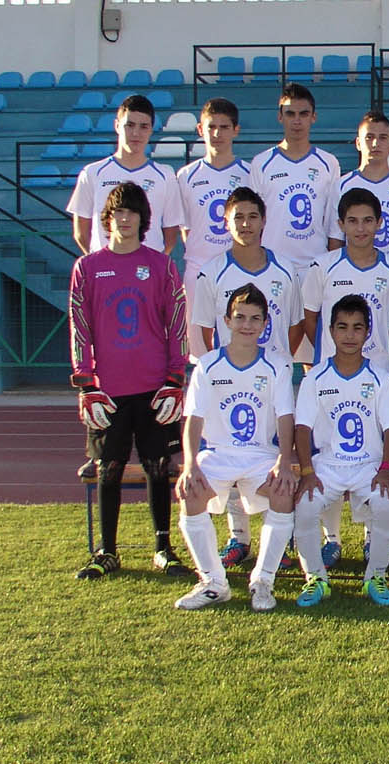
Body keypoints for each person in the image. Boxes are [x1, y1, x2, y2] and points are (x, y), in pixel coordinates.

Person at [69, 182, 189, 580]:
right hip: (108, 389)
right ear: (107, 219)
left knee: (158, 466)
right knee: (109, 467)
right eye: (117, 212)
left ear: (143, 219)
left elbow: (176, 323)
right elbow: (80, 326)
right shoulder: (87, 267)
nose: (124, 218)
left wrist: (175, 377)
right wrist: (86, 382)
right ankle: (106, 551)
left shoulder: (160, 265)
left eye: (132, 212)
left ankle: (162, 547)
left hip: (154, 385)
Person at [189, 186, 304, 570]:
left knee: (273, 456)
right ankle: (238, 538)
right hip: (229, 382)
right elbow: (204, 328)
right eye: (238, 216)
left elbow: (294, 325)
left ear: (264, 221)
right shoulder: (212, 272)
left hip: (272, 380)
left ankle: (281, 543)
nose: (246, 224)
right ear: (226, 221)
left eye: (253, 216)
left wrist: (276, 360)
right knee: (230, 453)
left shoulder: (285, 269)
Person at [172, 284, 297, 611]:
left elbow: (285, 416)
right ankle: (213, 581)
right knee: (191, 491)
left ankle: (263, 580)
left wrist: (284, 460)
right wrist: (189, 464)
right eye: (240, 317)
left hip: (261, 456)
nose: (247, 324)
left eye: (255, 318)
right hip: (217, 454)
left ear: (265, 323)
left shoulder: (277, 365)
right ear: (226, 320)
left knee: (283, 492)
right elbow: (193, 419)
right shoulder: (208, 364)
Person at [290, 295, 389, 606]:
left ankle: (376, 576)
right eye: (342, 327)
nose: (349, 335)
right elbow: (301, 429)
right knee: (304, 506)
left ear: (368, 332)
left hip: (368, 466)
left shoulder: (380, 378)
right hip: (327, 465)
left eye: (357, 328)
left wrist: (386, 469)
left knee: (386, 505)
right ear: (330, 331)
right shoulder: (315, 377)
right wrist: (306, 471)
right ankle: (316, 577)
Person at [327, 110, 389, 379]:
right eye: (369, 137)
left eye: (383, 138)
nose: (376, 143)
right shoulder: (341, 185)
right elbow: (335, 237)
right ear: (358, 142)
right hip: (350, 285)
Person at [302, 187, 389, 377]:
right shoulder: (322, 266)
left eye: (368, 221)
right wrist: (334, 351)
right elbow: (309, 318)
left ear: (379, 223)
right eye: (353, 221)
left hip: (377, 373)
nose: (360, 229)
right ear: (341, 224)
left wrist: (377, 353)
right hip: (331, 373)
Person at [175, 97, 253, 360]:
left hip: (239, 269)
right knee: (201, 353)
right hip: (199, 270)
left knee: (241, 346)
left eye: (224, 127)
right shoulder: (186, 176)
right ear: (200, 130)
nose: (217, 134)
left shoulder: (250, 174)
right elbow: (185, 228)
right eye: (211, 127)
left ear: (236, 130)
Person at [67, 93, 182, 255]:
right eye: (130, 125)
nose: (136, 133)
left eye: (143, 126)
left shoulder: (165, 176)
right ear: (117, 126)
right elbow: (81, 231)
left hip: (147, 272)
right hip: (104, 273)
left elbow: (171, 234)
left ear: (151, 129)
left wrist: (155, 265)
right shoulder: (92, 173)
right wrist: (98, 263)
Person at [248, 83, 342, 271]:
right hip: (272, 264)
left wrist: (332, 266)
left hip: (316, 265)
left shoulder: (328, 163)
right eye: (290, 114)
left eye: (304, 114)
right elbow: (253, 220)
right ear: (280, 116)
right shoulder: (261, 163)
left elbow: (334, 222)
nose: (297, 121)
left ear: (313, 117)